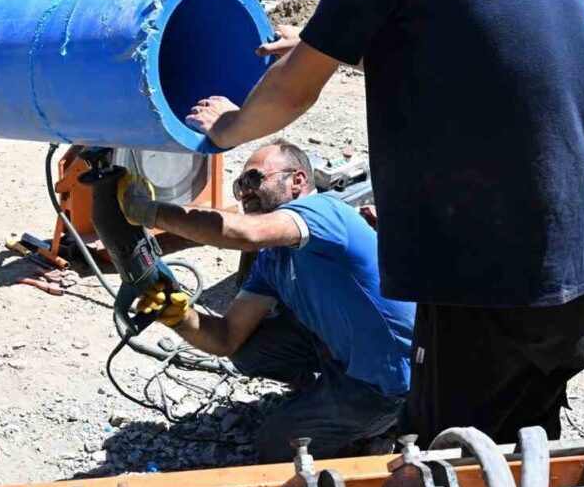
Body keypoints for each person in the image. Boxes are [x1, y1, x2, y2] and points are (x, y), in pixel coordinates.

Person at [185, 0, 584, 445]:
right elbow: (477, 47)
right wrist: (327, 42)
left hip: (485, 278)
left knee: (446, 456)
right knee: (526, 448)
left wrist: (227, 128)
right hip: (577, 264)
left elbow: (295, 90)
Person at [120, 139, 414, 463]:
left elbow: (245, 233)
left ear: (298, 181)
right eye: (239, 185)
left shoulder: (323, 211)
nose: (244, 192)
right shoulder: (272, 259)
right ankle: (327, 398)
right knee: (247, 351)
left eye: (253, 179)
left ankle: (386, 423)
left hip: (390, 379)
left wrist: (149, 211)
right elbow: (227, 337)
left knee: (277, 446)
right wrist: (179, 316)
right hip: (342, 349)